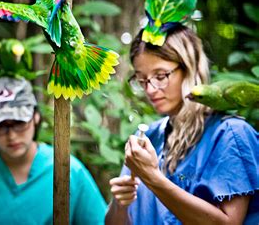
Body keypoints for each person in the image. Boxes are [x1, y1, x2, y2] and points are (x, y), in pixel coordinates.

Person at [105, 26, 258, 224]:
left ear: (189, 69)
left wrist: (153, 177)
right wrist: (120, 203)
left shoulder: (231, 134)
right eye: (142, 79)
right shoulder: (149, 136)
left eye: (160, 76)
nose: (150, 89)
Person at [0, 76, 107, 224]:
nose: (11, 136)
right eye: (0, 126)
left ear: (36, 117)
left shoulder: (67, 170)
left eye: (19, 123)